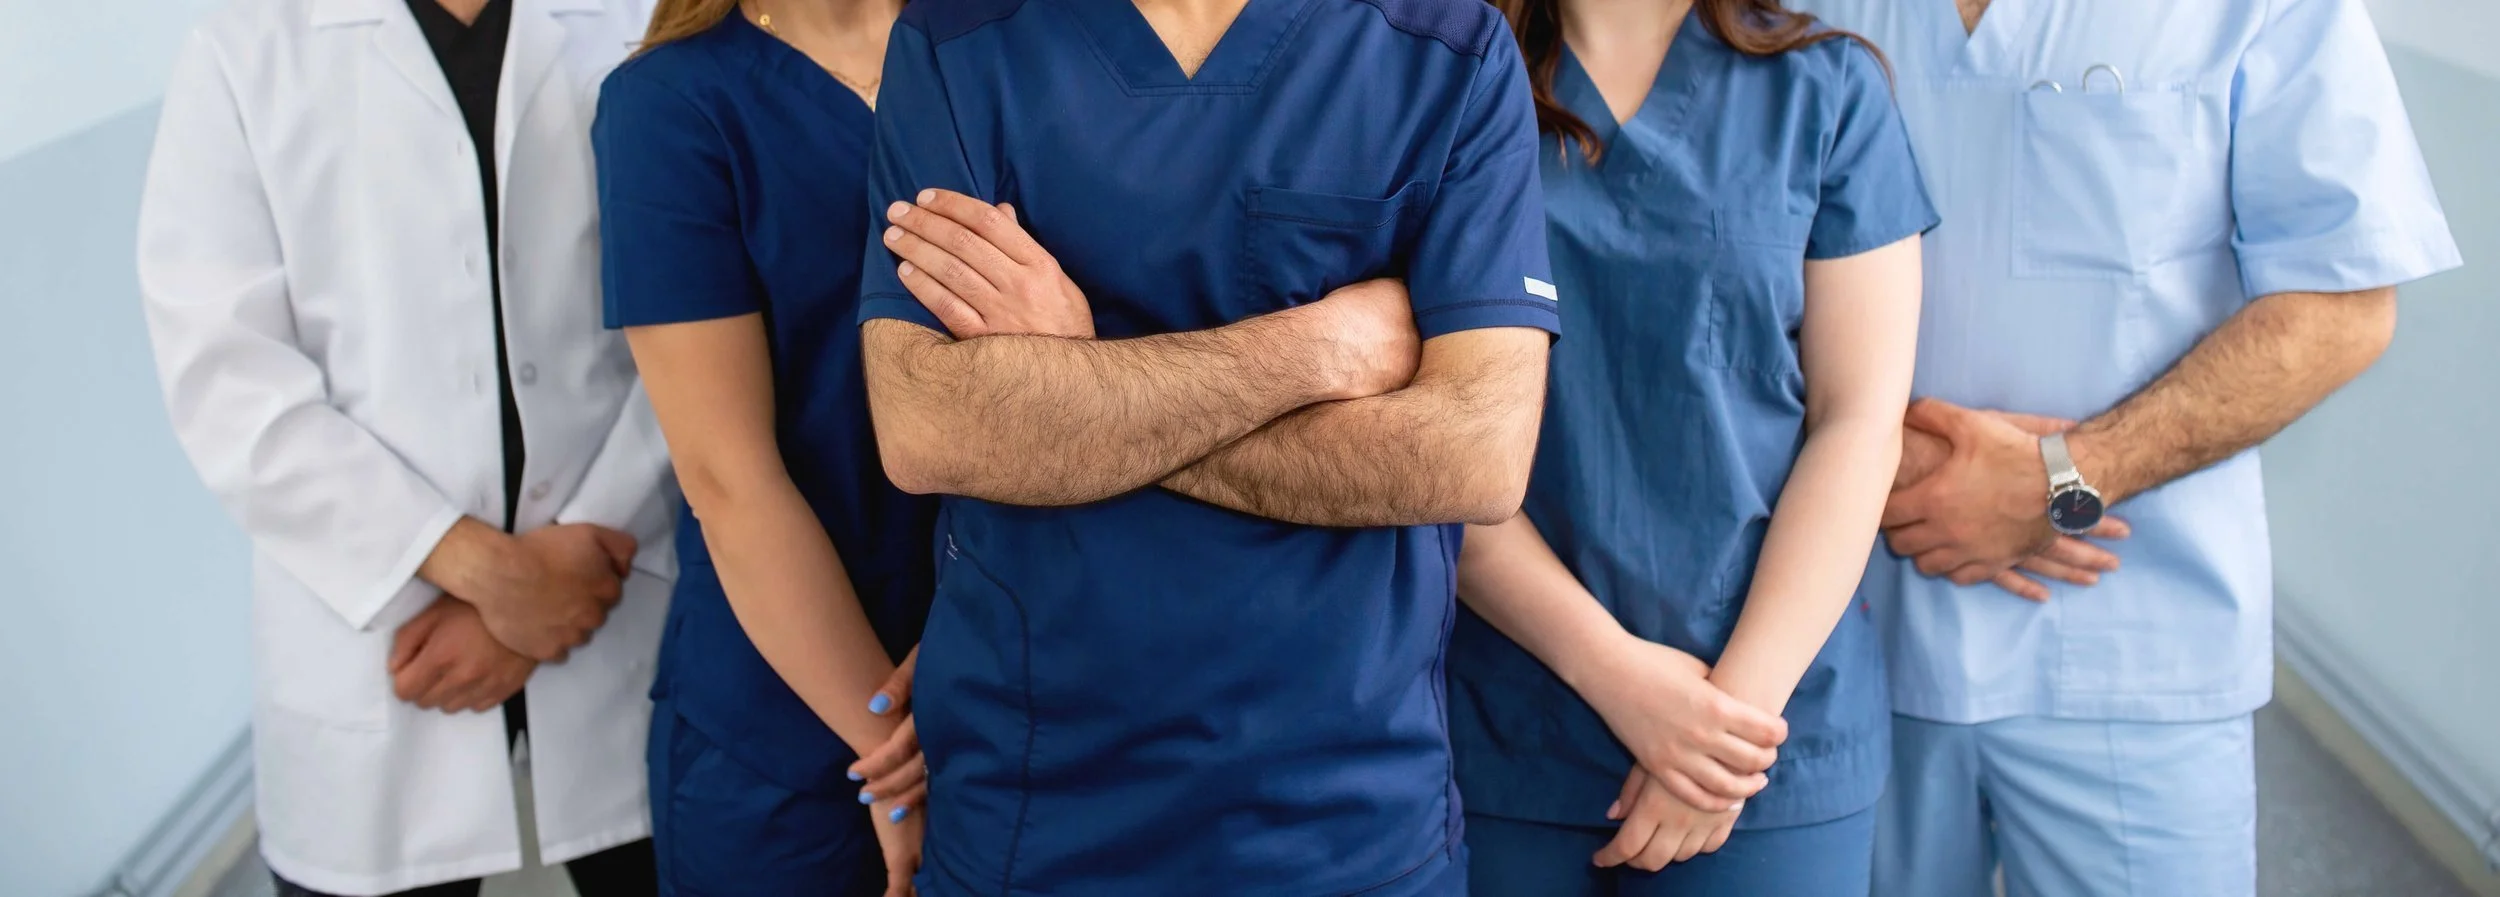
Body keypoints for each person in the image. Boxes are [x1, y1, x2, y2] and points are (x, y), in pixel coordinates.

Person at [846, 0, 1560, 891]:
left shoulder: (1445, 49)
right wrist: (1315, 349)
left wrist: (1077, 387)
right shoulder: (960, 40)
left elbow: (1474, 454)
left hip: (1348, 827)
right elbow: (928, 428)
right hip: (1033, 818)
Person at [1785, 1, 2463, 894]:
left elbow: (2343, 304)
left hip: (2131, 656)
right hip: (1824, 630)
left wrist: (2068, 477)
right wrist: (1873, 447)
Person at [136, 0, 676, 895]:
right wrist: (487, 574)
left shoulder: (633, 19)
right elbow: (228, 377)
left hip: (615, 596)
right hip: (390, 637)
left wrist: (570, 563)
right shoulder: (244, 49)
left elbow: (699, 323)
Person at [1443, 0, 1936, 893]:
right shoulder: (1443, 80)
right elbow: (1431, 432)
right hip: (1507, 720)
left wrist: (1726, 729)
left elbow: (1859, 421)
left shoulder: (1826, 89)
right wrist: (1617, 675)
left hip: (1768, 733)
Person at [590, 0, 936, 895]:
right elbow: (728, 477)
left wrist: (968, 665)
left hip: (1004, 665)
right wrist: (892, 761)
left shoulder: (994, 45)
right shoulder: (670, 104)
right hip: (787, 731)